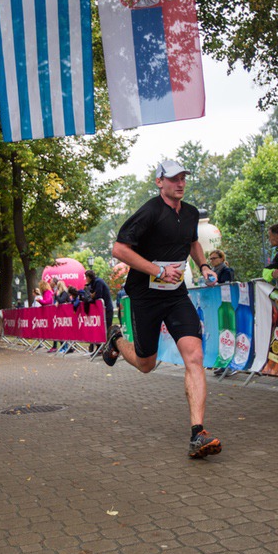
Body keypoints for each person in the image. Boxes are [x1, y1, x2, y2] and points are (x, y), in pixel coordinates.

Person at [107, 159, 221, 459]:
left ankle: (198, 433)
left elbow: (193, 243)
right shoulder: (149, 212)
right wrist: (157, 271)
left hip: (176, 295)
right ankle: (116, 340)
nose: (180, 183)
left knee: (194, 356)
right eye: (173, 178)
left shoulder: (191, 213)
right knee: (147, 364)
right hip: (145, 296)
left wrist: (204, 266)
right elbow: (119, 249)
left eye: (183, 178)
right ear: (159, 182)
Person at [85, 269, 114, 339]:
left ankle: (108, 344)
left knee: (107, 329)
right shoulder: (92, 283)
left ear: (88, 277)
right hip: (102, 309)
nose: (85, 279)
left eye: (86, 277)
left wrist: (92, 296)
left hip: (107, 308)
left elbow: (98, 295)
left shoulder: (98, 282)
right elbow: (91, 295)